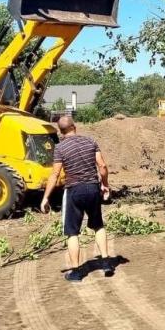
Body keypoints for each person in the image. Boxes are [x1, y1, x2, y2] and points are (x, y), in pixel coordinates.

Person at [40, 116, 113, 281]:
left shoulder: (60, 148)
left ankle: (76, 272)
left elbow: (55, 174)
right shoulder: (90, 142)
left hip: (74, 191)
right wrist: (105, 185)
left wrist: (45, 198)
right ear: (75, 127)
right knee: (98, 225)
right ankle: (107, 263)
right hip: (93, 188)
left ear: (60, 131)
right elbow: (102, 166)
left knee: (72, 232)